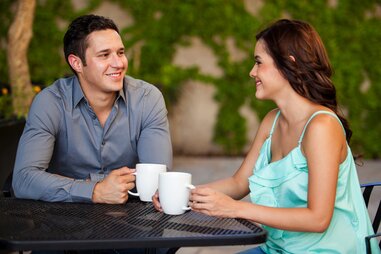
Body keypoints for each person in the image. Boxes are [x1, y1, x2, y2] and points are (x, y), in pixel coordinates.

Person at [153, 19, 379, 253]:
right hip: (278, 249)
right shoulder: (272, 121)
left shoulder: (321, 126)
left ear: (288, 65)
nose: (252, 72)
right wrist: (182, 193)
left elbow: (318, 219)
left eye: (259, 62)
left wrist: (235, 209)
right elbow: (239, 183)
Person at [12, 14, 172, 204]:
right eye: (105, 55)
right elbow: (23, 179)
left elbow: (158, 180)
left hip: (131, 219)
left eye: (120, 52)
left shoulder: (147, 99)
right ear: (77, 63)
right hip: (64, 220)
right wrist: (94, 190)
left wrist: (91, 186)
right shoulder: (50, 102)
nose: (119, 63)